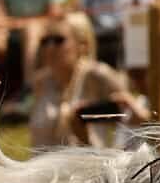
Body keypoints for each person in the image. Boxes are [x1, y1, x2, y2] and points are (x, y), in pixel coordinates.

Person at [28, 11, 130, 147]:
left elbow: (130, 111)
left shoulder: (96, 75)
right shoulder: (41, 82)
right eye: (45, 41)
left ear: (82, 45)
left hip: (88, 164)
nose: (49, 47)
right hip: (41, 166)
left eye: (58, 40)